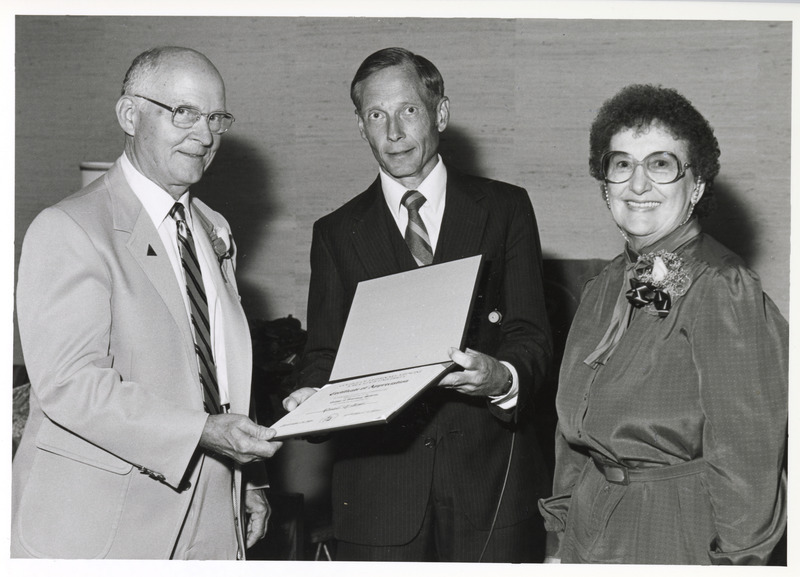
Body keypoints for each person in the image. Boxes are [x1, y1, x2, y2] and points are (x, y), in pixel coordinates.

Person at [283, 47, 552, 562]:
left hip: (491, 487)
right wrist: (312, 394)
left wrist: (502, 378)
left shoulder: (506, 208)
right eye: (375, 115)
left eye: (408, 110)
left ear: (440, 114)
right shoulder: (335, 233)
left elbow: (531, 336)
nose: (393, 132)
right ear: (361, 127)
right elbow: (324, 353)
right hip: (378, 497)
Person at [12, 46, 283, 559]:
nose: (205, 136)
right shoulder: (69, 228)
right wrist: (202, 432)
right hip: (103, 523)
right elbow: (71, 385)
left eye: (216, 118)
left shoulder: (213, 226)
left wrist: (247, 478)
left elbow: (218, 368)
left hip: (212, 508)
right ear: (129, 115)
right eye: (184, 113)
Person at [538, 84, 788, 564]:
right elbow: (572, 438)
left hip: (676, 532)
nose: (637, 185)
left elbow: (749, 463)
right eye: (621, 165)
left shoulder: (723, 288)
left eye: (660, 164)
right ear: (605, 183)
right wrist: (560, 539)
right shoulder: (603, 287)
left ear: (697, 185)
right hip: (589, 529)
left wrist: (736, 563)